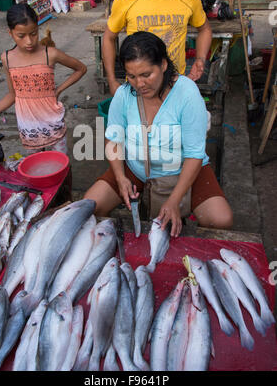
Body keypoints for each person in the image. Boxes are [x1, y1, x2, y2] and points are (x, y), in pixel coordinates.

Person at [84, 32, 233, 237]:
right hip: (135, 167)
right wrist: (120, 178)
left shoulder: (187, 94)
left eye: (146, 74)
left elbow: (194, 154)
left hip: (181, 168)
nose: (140, 84)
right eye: (132, 76)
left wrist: (174, 200)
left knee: (220, 220)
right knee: (91, 206)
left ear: (163, 65)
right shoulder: (124, 94)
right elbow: (114, 138)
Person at [0, 3, 87, 154]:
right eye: (21, 36)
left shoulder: (51, 53)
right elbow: (12, 95)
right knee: (36, 169)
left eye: (34, 33)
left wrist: (59, 90)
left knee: (62, 166)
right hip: (28, 127)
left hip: (52, 123)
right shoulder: (7, 58)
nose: (29, 41)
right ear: (10, 33)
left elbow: (81, 68)